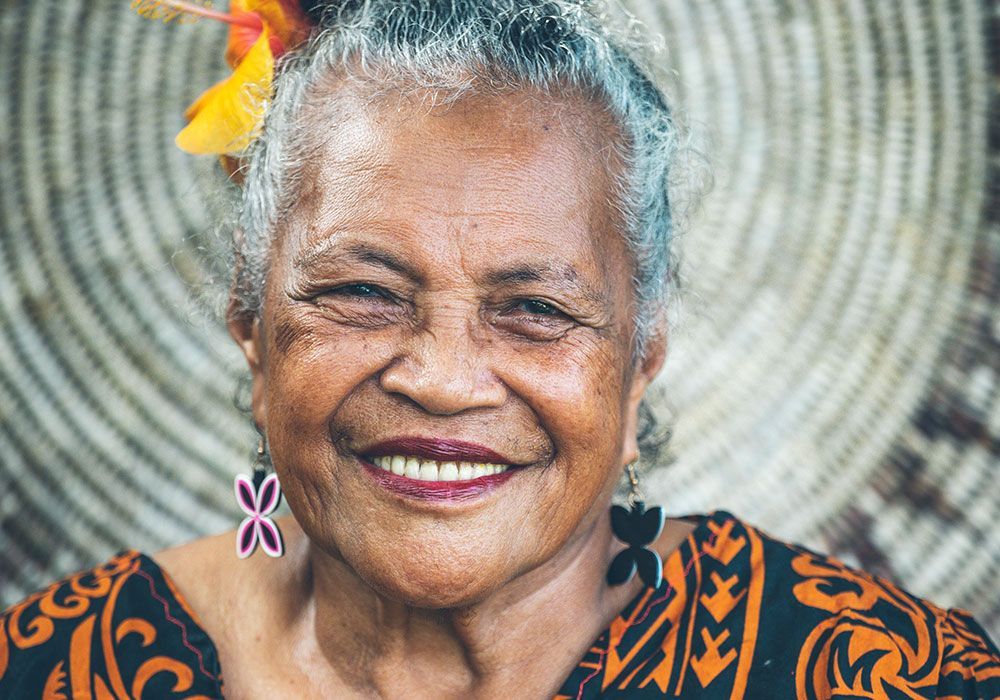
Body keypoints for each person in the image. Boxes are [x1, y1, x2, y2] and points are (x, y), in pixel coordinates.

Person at [1, 1, 997, 697]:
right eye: (359, 293)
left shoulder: (873, 674)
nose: (440, 377)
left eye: (535, 310)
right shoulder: (54, 668)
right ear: (252, 335)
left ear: (640, 354)